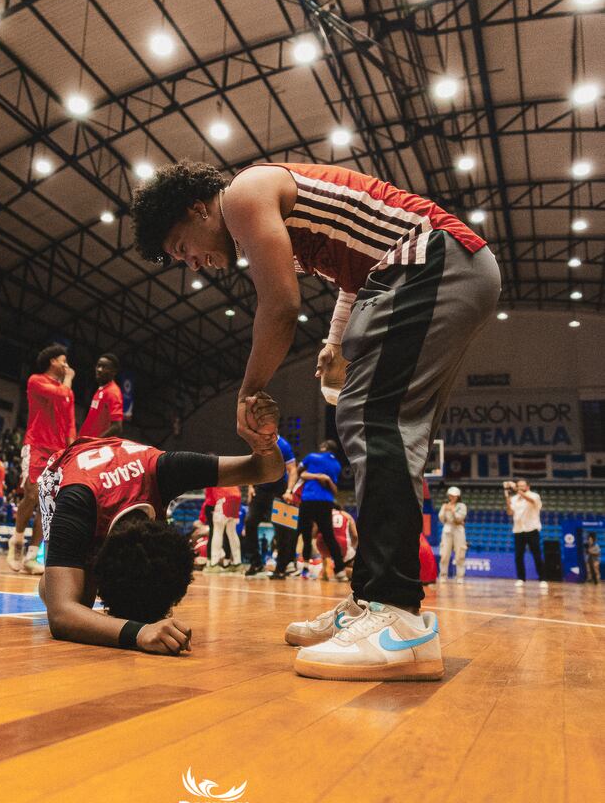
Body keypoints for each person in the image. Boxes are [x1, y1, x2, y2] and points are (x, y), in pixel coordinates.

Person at [132, 160, 501, 681]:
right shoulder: (290, 213)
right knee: (382, 422)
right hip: (439, 266)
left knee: (371, 419)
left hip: (432, 260)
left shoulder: (242, 194)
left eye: (180, 246)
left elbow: (281, 305)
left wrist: (250, 389)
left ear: (198, 209)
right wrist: (333, 344)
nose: (191, 262)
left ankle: (398, 617)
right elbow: (356, 275)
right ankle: (372, 601)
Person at [38, 391, 283, 653]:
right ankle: (55, 575)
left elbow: (266, 470)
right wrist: (138, 633)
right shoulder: (74, 499)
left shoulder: (166, 469)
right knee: (75, 597)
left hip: (117, 471)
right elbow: (61, 616)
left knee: (81, 601)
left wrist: (264, 440)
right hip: (61, 474)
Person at [9, 344, 75, 575]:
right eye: (63, 361)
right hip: (37, 444)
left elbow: (70, 422)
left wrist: (72, 447)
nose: (66, 366)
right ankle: (16, 541)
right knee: (32, 493)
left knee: (48, 504)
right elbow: (60, 394)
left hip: (58, 450)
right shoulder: (36, 381)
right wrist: (68, 380)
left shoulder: (67, 391)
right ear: (52, 362)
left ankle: (31, 555)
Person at [274, 440, 347, 582]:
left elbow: (299, 472)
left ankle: (285, 566)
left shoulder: (312, 457)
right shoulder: (337, 465)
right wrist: (322, 477)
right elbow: (334, 489)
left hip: (308, 500)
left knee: (296, 532)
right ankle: (340, 571)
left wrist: (312, 475)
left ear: (325, 448)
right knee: (329, 536)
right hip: (326, 503)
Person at [243, 434, 297, 578]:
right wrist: (250, 487)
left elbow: (292, 469)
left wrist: (289, 491)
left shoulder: (284, 446)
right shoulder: (258, 444)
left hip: (279, 491)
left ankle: (281, 568)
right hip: (260, 490)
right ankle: (256, 563)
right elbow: (252, 466)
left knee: (282, 530)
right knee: (249, 522)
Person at [504, 479, 548, 590]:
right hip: (518, 530)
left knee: (537, 555)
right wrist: (507, 498)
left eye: (522, 486)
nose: (519, 487)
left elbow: (531, 501)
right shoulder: (514, 499)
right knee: (518, 556)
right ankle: (521, 578)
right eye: (518, 486)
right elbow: (510, 512)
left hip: (532, 529)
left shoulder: (534, 496)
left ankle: (542, 579)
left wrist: (515, 489)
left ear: (528, 487)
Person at [78, 353, 123, 438]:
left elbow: (117, 427)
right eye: (98, 366)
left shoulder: (113, 392)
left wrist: (96, 442)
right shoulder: (101, 389)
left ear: (114, 371)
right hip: (85, 443)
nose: (99, 369)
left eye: (104, 367)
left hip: (95, 447)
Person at [205, 484, 242, 573]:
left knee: (217, 531)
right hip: (236, 496)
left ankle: (214, 564)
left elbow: (209, 498)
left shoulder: (212, 474)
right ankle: (237, 563)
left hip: (223, 498)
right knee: (232, 531)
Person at [438, 486, 468, 583]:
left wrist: (453, 510)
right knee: (444, 554)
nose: (452, 497)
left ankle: (460, 576)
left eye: (454, 496)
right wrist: (444, 510)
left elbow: (460, 518)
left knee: (460, 554)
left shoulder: (462, 506)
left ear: (458, 496)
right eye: (451, 495)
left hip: (458, 530)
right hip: (447, 529)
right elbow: (441, 519)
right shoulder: (444, 505)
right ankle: (443, 575)